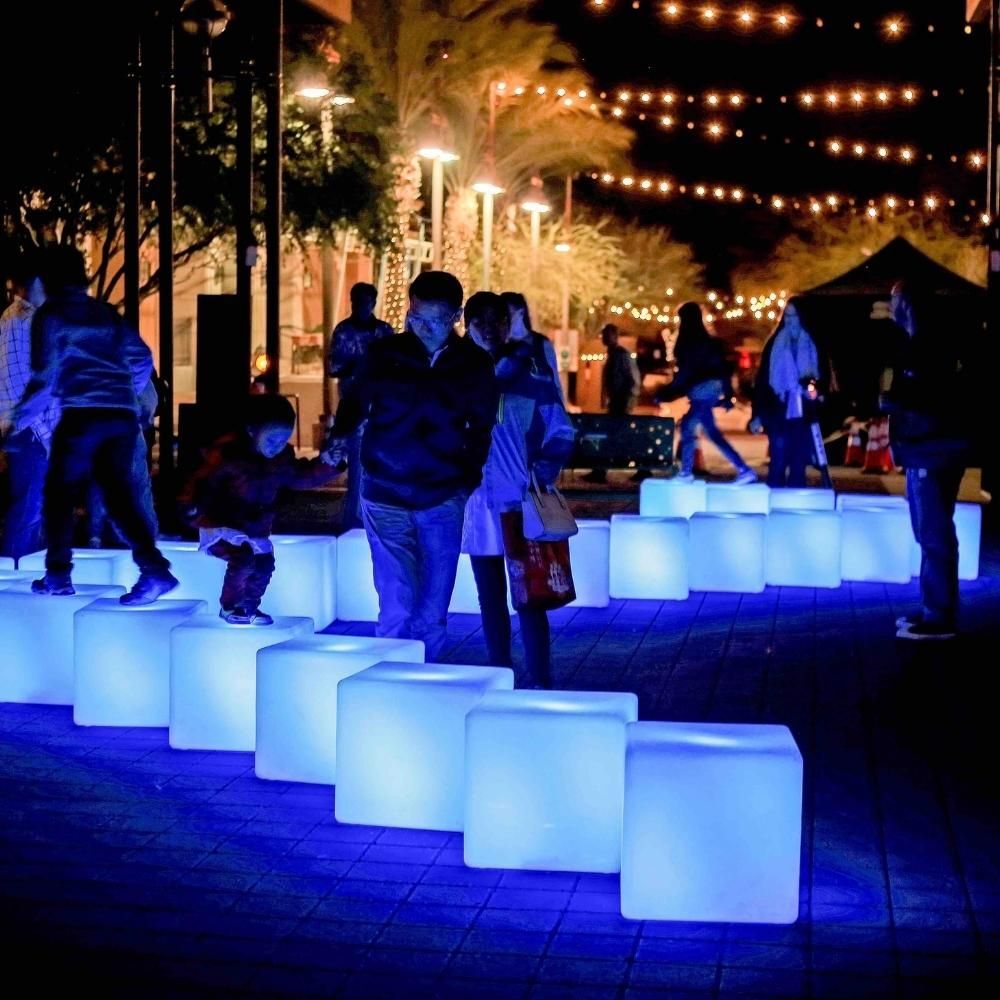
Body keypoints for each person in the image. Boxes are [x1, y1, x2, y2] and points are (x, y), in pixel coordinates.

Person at [329, 271, 498, 660]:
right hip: (385, 489)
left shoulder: (473, 363)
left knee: (433, 606)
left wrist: (465, 479)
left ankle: (425, 679)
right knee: (395, 597)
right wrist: (339, 436)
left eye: (433, 321)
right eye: (415, 317)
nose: (421, 327)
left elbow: (483, 426)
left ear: (456, 316)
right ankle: (390, 678)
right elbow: (355, 402)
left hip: (443, 493)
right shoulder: (385, 354)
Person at [13, 245, 177, 604]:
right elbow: (141, 357)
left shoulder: (51, 315)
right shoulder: (104, 313)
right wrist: (126, 395)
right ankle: (154, 569)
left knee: (58, 494)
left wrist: (16, 422)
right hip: (120, 416)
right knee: (119, 495)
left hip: (82, 413)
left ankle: (57, 575)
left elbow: (43, 378)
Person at [463, 292, 575, 688]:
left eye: (499, 321)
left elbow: (560, 426)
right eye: (482, 322)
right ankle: (499, 675)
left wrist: (549, 461)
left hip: (519, 500)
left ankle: (541, 680)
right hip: (475, 504)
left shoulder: (530, 372)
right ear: (467, 323)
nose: (492, 329)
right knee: (489, 596)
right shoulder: (456, 372)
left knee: (531, 597)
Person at [182, 394, 341, 625]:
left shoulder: (281, 460)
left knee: (265, 563)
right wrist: (192, 511)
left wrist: (329, 464)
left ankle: (249, 606)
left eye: (283, 441)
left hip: (256, 527)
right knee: (244, 558)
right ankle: (230, 606)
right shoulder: (227, 457)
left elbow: (300, 476)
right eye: (272, 440)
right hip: (223, 525)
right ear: (251, 431)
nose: (277, 447)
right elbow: (201, 484)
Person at [882, 281, 974, 641]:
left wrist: (894, 402)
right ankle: (933, 607)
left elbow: (929, 400)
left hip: (930, 450)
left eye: (894, 302)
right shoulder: (929, 343)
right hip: (933, 448)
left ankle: (939, 616)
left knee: (932, 532)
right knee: (931, 531)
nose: (890, 308)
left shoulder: (925, 347)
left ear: (907, 306)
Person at [0, 252, 59, 560]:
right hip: (30, 435)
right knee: (27, 512)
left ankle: (22, 580)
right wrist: (42, 434)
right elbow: (17, 383)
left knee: (34, 513)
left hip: (34, 433)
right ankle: (11, 581)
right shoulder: (19, 320)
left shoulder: (28, 319)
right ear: (34, 281)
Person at [659, 302, 756, 484]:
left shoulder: (687, 342)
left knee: (709, 432)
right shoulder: (710, 342)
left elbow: (685, 373)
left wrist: (666, 392)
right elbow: (723, 369)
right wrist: (727, 394)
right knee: (689, 427)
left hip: (700, 389)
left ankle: (743, 469)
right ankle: (687, 472)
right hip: (713, 387)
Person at [328, 282, 394, 530]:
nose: (362, 307)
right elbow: (333, 366)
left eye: (366, 302)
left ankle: (379, 515)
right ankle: (353, 517)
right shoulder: (343, 331)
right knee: (356, 463)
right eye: (358, 302)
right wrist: (356, 367)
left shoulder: (384, 331)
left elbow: (395, 365)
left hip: (381, 407)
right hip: (355, 407)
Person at [750, 298, 824, 488]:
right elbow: (762, 381)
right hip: (777, 409)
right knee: (778, 460)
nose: (791, 320)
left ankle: (794, 507)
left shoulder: (812, 343)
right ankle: (774, 506)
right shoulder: (775, 343)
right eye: (788, 315)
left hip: (803, 412)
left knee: (798, 464)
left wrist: (815, 390)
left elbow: (822, 377)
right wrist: (757, 414)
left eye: (795, 315)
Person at [500, 291, 563, 401]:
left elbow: (555, 384)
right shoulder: (500, 346)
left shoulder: (542, 344)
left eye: (509, 314)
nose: (506, 320)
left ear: (521, 312)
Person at [600, 323, 640, 417]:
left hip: (621, 401)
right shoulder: (613, 355)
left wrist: (626, 402)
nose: (604, 337)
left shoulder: (621, 355)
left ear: (615, 336)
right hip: (615, 400)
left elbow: (631, 379)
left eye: (607, 334)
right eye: (604, 334)